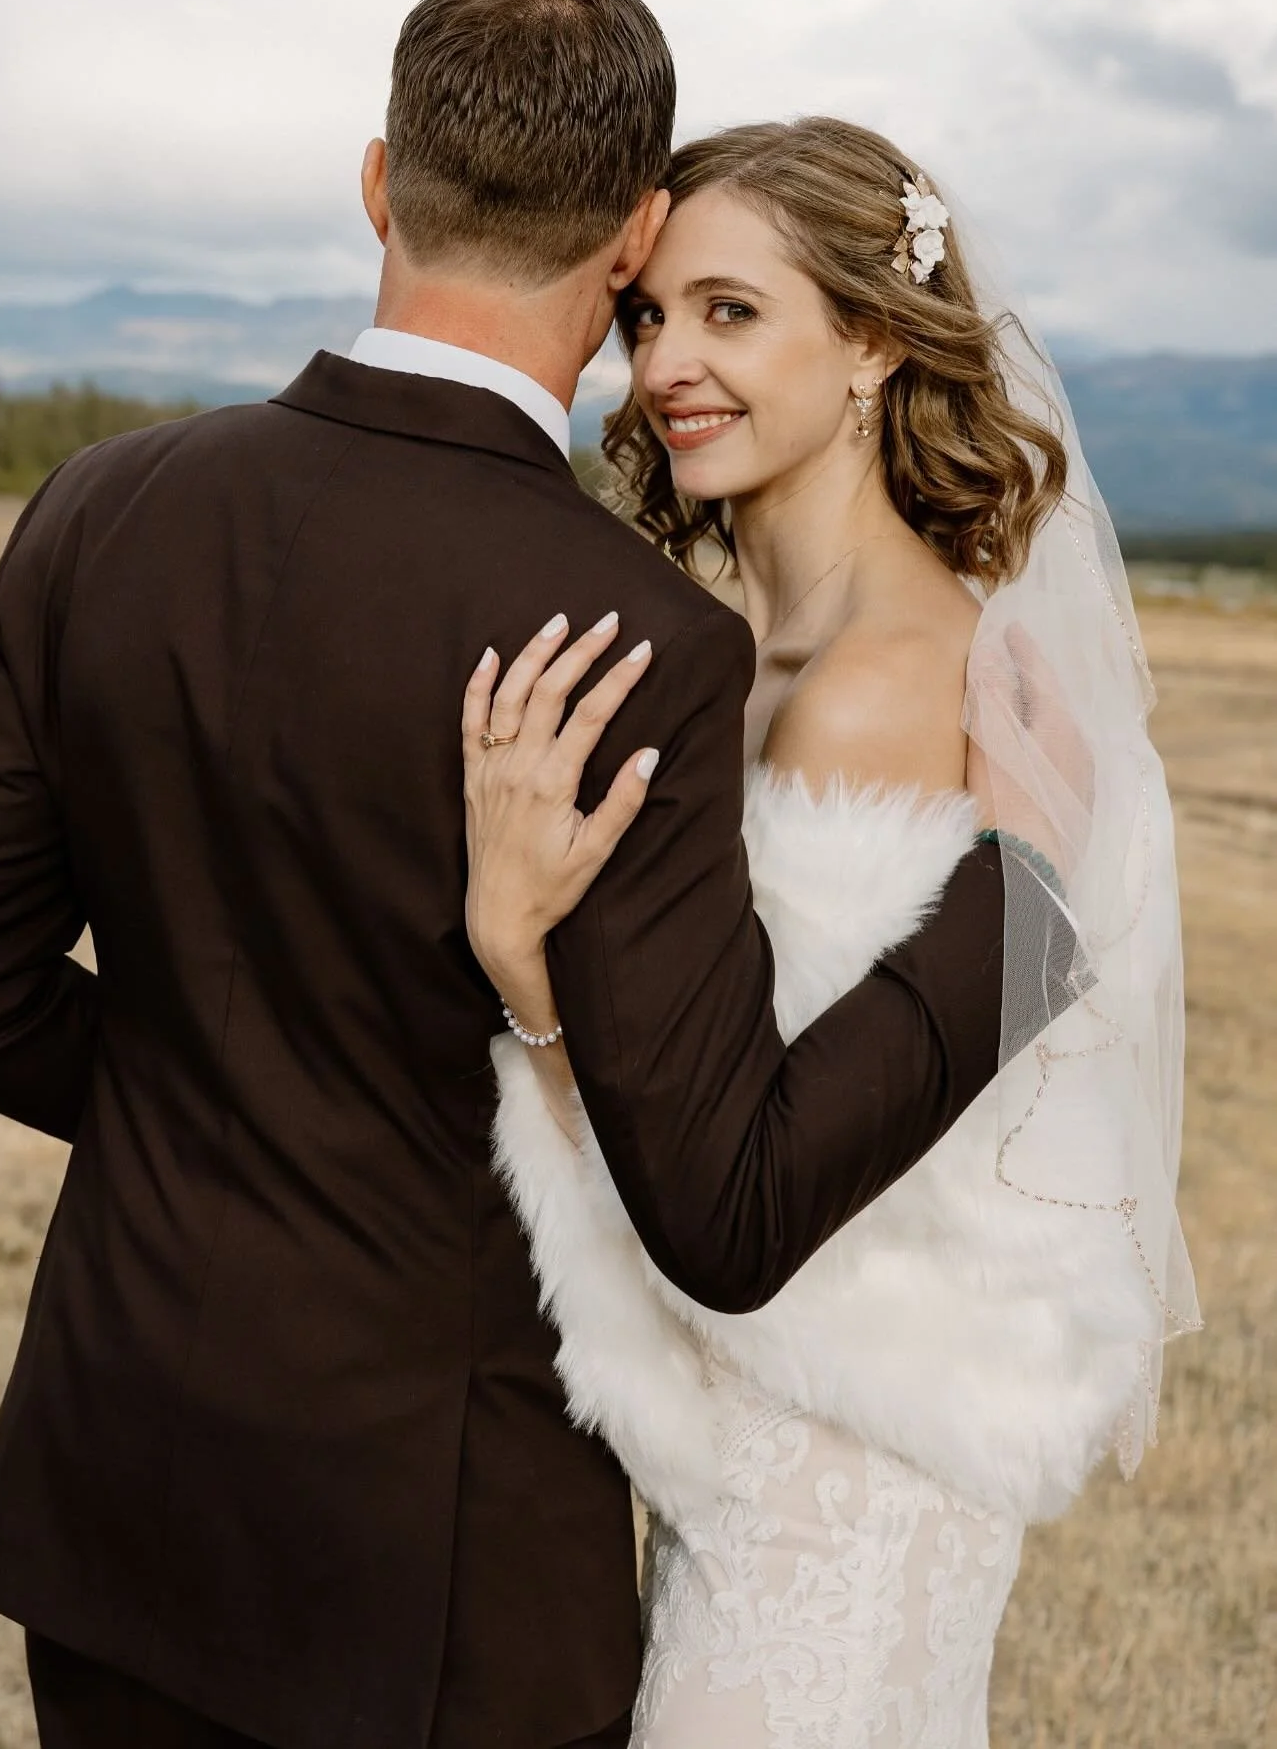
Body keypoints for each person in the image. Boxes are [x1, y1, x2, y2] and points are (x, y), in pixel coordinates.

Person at [0, 0, 1067, 1749]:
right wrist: (1036, 915)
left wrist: (190, 1101)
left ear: (380, 180)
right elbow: (730, 1209)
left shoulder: (102, 507)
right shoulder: (634, 643)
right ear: (630, 240)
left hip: (117, 1503)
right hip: (434, 1591)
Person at [462, 118, 1197, 1747]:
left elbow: (739, 1192)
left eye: (733, 313)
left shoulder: (876, 684)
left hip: (827, 1496)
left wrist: (525, 973)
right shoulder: (773, 654)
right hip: (767, 1469)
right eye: (650, 316)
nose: (667, 365)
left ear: (869, 340)